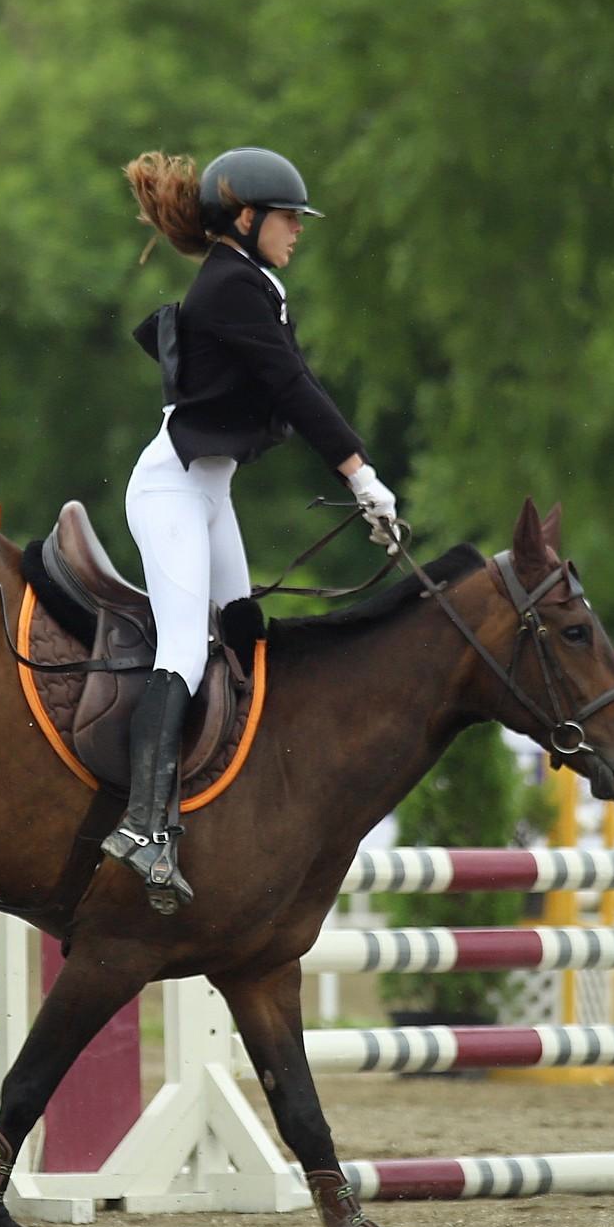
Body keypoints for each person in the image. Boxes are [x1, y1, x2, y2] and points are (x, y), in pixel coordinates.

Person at [104, 146, 400, 907]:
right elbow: (295, 388)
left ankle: (224, 801)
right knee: (183, 646)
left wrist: (358, 476)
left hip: (209, 491)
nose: (298, 231)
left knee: (241, 630)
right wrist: (360, 475)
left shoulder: (253, 283)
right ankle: (143, 824)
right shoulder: (232, 287)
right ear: (247, 217)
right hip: (171, 491)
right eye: (289, 218)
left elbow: (296, 386)